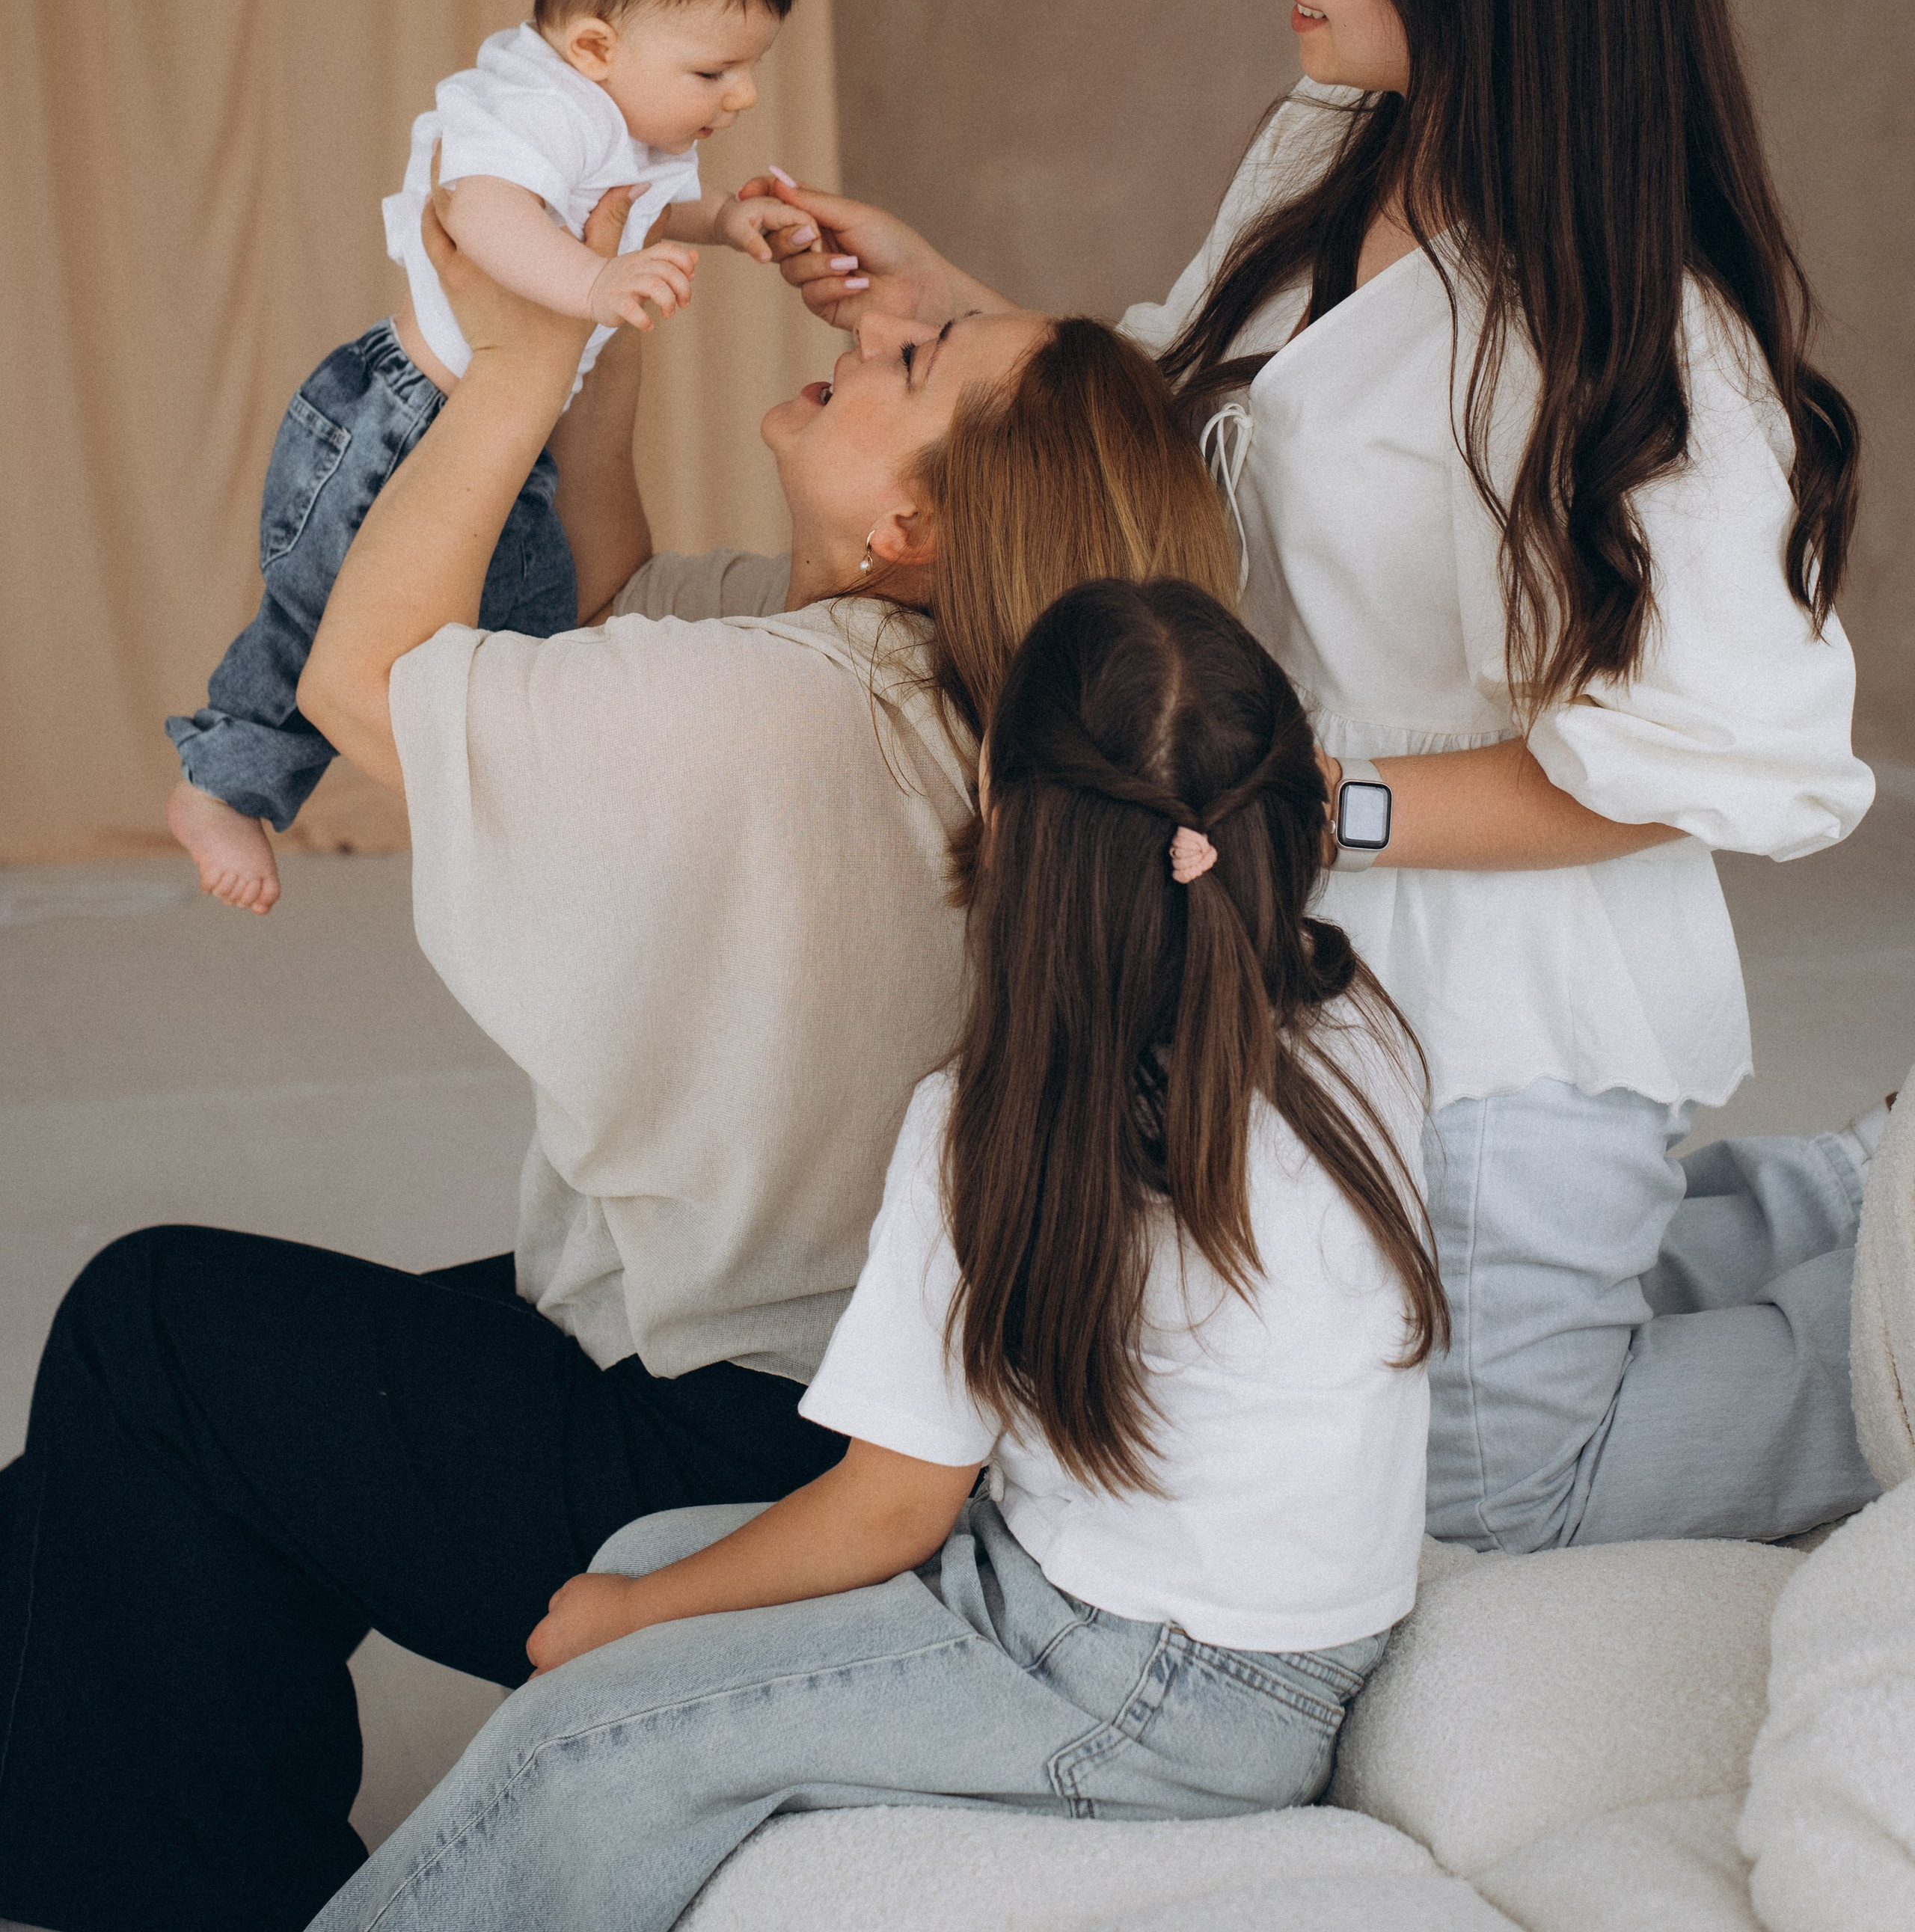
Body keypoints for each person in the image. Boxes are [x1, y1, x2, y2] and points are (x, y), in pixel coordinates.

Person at [0, 207, 1237, 1932]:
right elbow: (592, 605)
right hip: (814, 1387)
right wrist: (612, 337)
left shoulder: (783, 709)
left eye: (918, 355)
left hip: (719, 1454)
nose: (883, 328)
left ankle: (220, 1893)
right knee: (91, 1498)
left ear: (910, 526)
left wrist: (516, 355)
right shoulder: (936, 692)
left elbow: (374, 684)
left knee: (150, 1337)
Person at [754, 0, 1881, 1554]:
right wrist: (943, 305)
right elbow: (1219, 426)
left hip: (1504, 1023)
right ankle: (1838, 1203)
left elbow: (1717, 762)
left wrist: (1306, 800)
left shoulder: (1637, 351)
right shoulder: (1331, 155)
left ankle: (1886, 1315)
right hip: (1311, 973)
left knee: (1490, 1499)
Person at [309, 576, 1442, 1932]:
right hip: (1253, 1645)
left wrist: (628, 1625)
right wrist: (650, 1587)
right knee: (655, 1544)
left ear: (998, 804)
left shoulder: (998, 1128)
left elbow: (892, 1509)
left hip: (1137, 1689)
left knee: (586, 1736)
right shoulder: (1353, 1018)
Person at [165, 0, 816, 919]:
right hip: (397, 419)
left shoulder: (628, 117)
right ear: (596, 44)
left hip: (503, 438)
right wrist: (596, 280)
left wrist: (727, 225)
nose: (741, 95)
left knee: (519, 641)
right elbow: (484, 213)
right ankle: (219, 784)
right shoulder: (532, 101)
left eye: (750, 69)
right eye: (715, 72)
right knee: (327, 620)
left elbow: (649, 209)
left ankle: (545, 849)